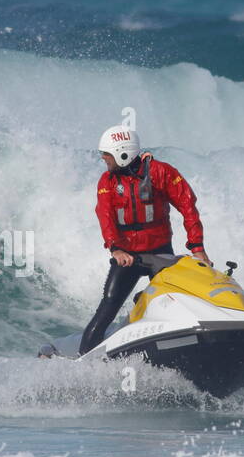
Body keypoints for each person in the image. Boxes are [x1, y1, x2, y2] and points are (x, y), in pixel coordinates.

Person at [79, 126, 209, 356]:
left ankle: (190, 350)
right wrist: (116, 249)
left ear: (122, 153)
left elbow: (188, 206)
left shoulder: (162, 172)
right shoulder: (107, 181)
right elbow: (105, 216)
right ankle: (85, 358)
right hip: (128, 257)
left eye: (107, 154)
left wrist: (197, 248)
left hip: (161, 255)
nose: (103, 158)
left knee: (176, 305)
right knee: (107, 307)